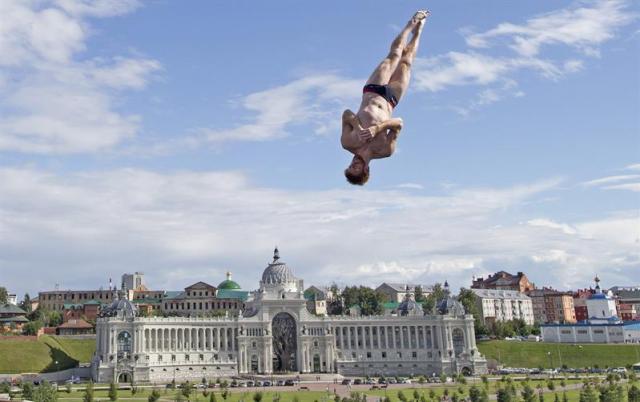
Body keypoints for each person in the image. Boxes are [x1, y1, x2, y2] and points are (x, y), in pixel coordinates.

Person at [341, 10, 429, 185]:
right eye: (356, 168)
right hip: (391, 100)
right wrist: (378, 128)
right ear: (366, 170)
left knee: (395, 54)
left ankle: (411, 23)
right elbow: (399, 124)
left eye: (350, 166)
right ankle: (418, 31)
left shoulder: (348, 142)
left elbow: (346, 114)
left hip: (372, 91)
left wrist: (358, 127)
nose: (354, 163)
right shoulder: (385, 150)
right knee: (406, 60)